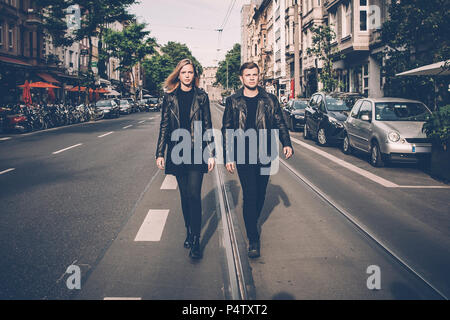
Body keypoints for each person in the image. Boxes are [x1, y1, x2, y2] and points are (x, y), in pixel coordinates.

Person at [221, 62, 293, 258]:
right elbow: (227, 128)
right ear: (241, 78)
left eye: (254, 74)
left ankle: (252, 221)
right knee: (250, 195)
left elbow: (279, 121)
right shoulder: (233, 100)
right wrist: (228, 156)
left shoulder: (269, 99)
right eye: (248, 75)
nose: (252, 78)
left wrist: (286, 143)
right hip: (243, 153)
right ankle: (253, 238)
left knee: (261, 195)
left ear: (258, 76)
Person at [155, 58, 215, 260]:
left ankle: (196, 240)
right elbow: (164, 125)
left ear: (194, 75)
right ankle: (189, 230)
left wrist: (212, 152)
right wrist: (160, 153)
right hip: (176, 151)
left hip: (197, 151)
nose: (187, 76)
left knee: (194, 195)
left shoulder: (202, 96)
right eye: (184, 72)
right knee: (185, 196)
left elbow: (207, 125)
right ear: (178, 75)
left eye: (190, 72)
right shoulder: (169, 97)